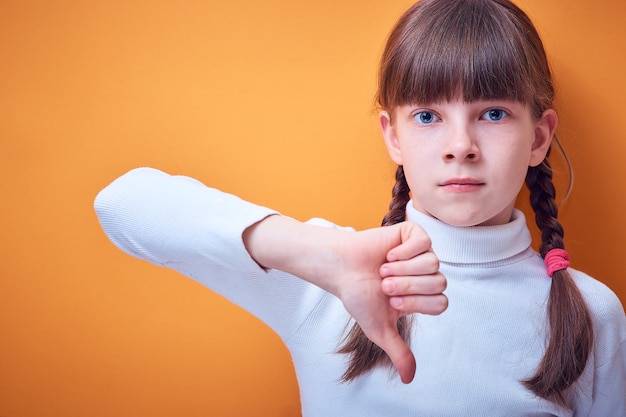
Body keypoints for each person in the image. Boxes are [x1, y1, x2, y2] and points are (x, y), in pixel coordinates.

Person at [94, 0, 626, 415]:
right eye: (426, 116)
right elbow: (121, 203)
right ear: (392, 137)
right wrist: (318, 255)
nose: (459, 144)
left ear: (539, 137)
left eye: (492, 113)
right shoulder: (326, 274)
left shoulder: (592, 315)